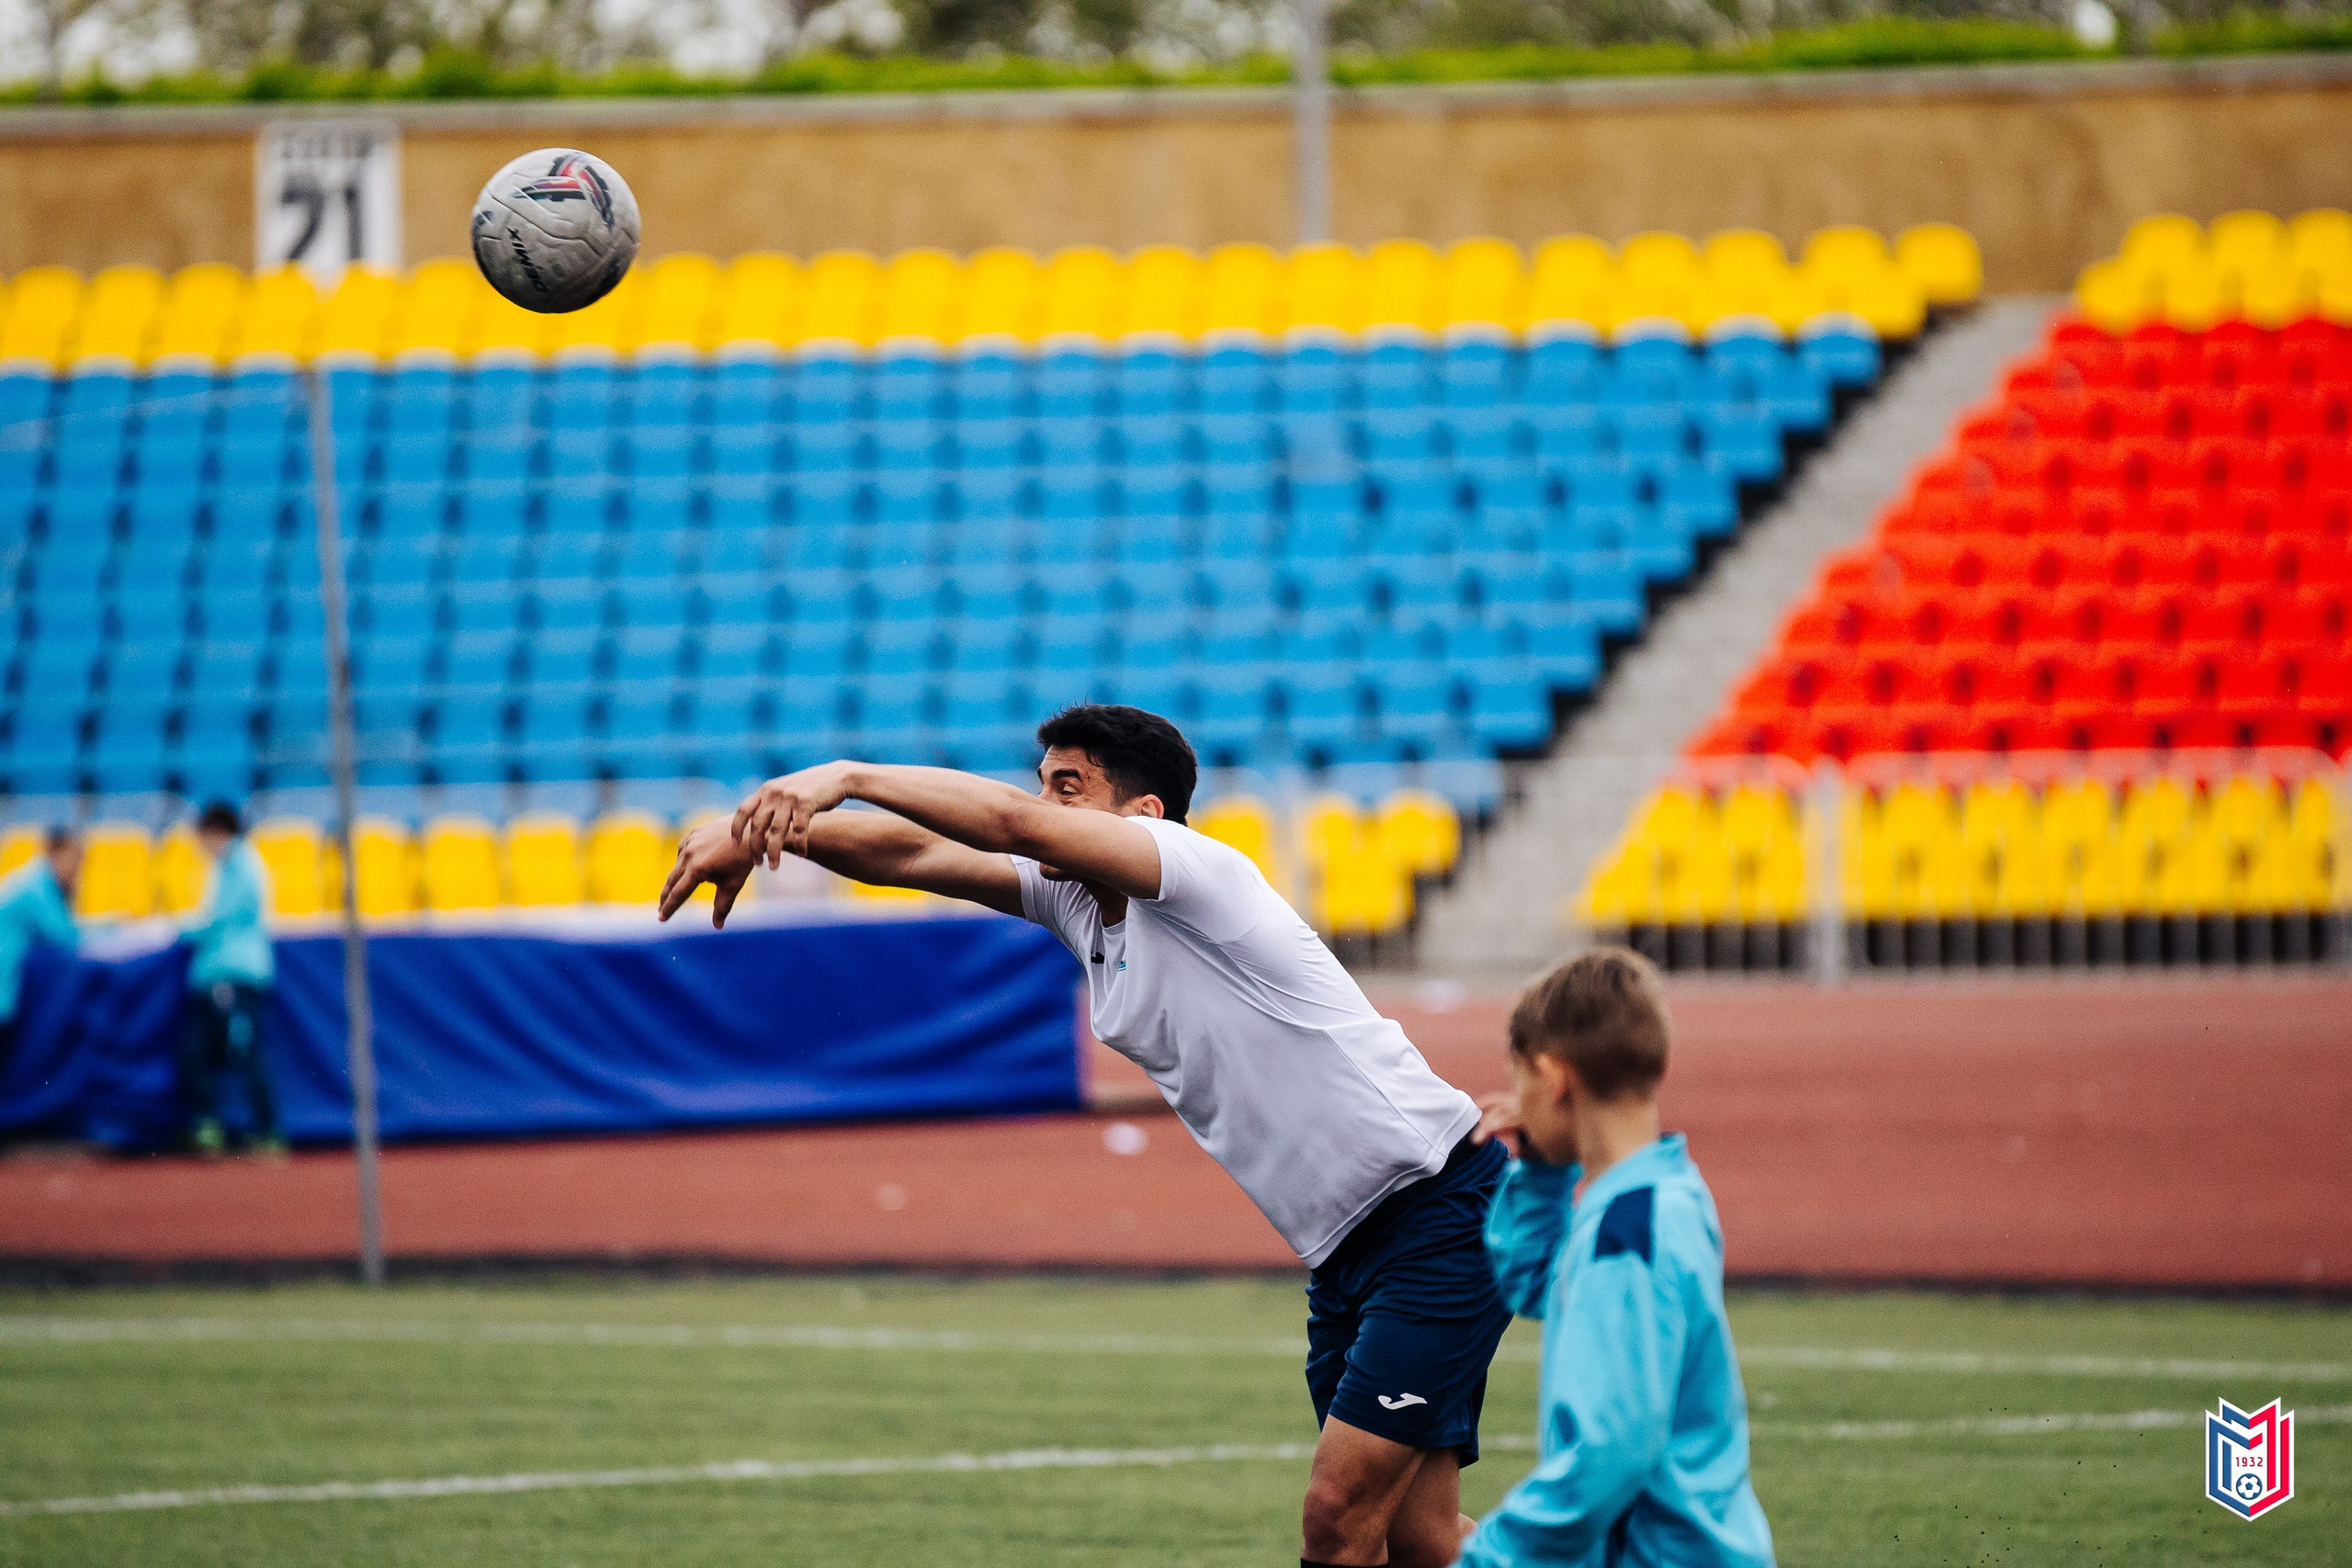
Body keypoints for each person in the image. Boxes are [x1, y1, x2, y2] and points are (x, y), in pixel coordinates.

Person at [661, 705, 1511, 1568]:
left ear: (1143, 815)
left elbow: (1006, 823)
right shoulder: (1076, 902)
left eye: (1069, 787)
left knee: (1335, 1518)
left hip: (1433, 1209)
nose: (1043, 803)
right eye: (1042, 783)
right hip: (1345, 1251)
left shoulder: (1194, 867)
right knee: (1421, 1539)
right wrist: (772, 834)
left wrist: (842, 774)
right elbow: (914, 855)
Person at [1455, 947, 1774, 1568]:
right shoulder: (1664, 1195)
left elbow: (1609, 1453)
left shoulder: (1626, 1233)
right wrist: (1543, 1171)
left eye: (1519, 1077)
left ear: (1554, 1078)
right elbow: (1537, 1282)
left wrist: (1487, 1557)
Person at [180, 802, 281, 1156]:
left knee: (244, 1049)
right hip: (215, 975)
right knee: (198, 1052)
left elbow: (219, 918)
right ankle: (209, 1127)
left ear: (217, 833)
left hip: (234, 974)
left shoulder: (242, 865)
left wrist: (183, 931)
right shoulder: (226, 867)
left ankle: (268, 1131)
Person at [0, 828, 83, 1077]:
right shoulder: (36, 886)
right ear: (56, 853)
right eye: (75, 859)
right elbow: (66, 937)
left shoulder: (34, 879)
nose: (78, 870)